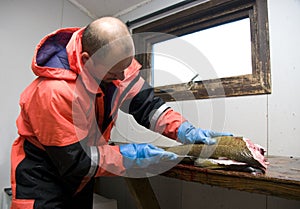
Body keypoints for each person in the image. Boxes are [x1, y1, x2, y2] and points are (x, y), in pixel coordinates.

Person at [10, 17, 231, 209]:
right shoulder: (53, 92)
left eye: (125, 68)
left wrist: (185, 130)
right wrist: (129, 156)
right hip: (43, 175)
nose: (122, 76)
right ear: (87, 60)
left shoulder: (116, 64)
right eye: (115, 72)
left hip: (83, 176)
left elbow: (148, 106)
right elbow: (75, 160)